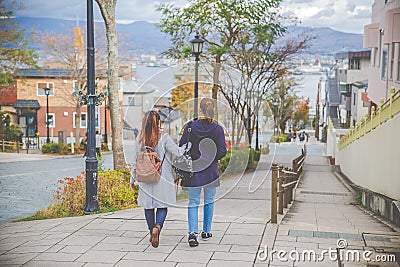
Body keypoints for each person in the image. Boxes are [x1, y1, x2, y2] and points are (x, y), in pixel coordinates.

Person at [130, 110, 187, 248]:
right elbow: (178, 152)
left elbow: (134, 162)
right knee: (162, 206)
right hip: (163, 177)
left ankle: (151, 231)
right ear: (158, 123)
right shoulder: (165, 138)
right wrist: (187, 146)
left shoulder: (140, 139)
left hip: (145, 178)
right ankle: (158, 227)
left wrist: (132, 180)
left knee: (148, 207)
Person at [179, 98, 227, 247]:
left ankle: (192, 233)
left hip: (194, 169)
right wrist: (211, 158)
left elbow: (182, 146)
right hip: (211, 170)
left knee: (193, 202)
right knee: (209, 201)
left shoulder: (191, 127)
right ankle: (206, 231)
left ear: (200, 110)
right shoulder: (218, 129)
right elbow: (222, 151)